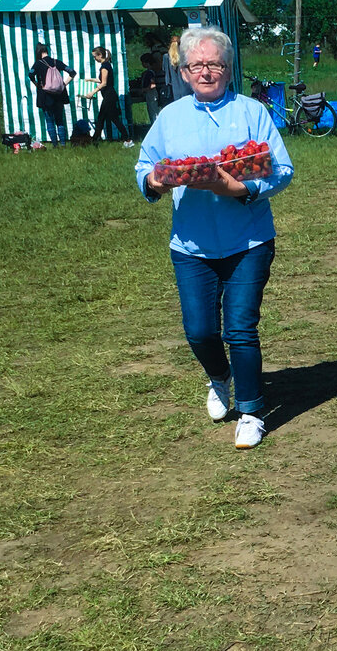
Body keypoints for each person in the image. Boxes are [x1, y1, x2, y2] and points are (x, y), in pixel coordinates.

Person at [135, 28, 293, 450]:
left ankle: (252, 412)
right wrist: (153, 180)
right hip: (192, 245)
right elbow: (145, 166)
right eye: (198, 65)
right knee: (200, 332)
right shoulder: (170, 117)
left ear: (228, 68)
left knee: (240, 328)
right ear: (184, 72)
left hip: (249, 239)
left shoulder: (252, 112)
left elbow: (282, 169)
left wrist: (243, 189)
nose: (207, 72)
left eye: (216, 64)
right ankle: (219, 376)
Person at [29, 43, 76, 146]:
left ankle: (55, 145)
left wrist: (37, 84)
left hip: (45, 95)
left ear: (38, 52)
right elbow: (72, 72)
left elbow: (30, 74)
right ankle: (63, 144)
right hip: (59, 95)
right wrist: (64, 84)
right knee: (59, 120)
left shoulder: (38, 64)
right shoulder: (57, 62)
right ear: (47, 51)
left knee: (49, 120)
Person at [87, 46, 133, 146]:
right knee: (103, 118)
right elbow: (102, 80)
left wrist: (92, 92)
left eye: (95, 56)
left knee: (110, 118)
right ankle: (95, 140)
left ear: (100, 55)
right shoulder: (106, 65)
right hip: (109, 95)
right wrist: (91, 79)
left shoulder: (104, 66)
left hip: (109, 96)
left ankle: (127, 139)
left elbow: (103, 83)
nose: (94, 59)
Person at [139, 52, 162, 124]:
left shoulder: (150, 73)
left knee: (153, 112)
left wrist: (144, 90)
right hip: (150, 94)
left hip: (151, 94)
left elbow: (153, 85)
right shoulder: (150, 72)